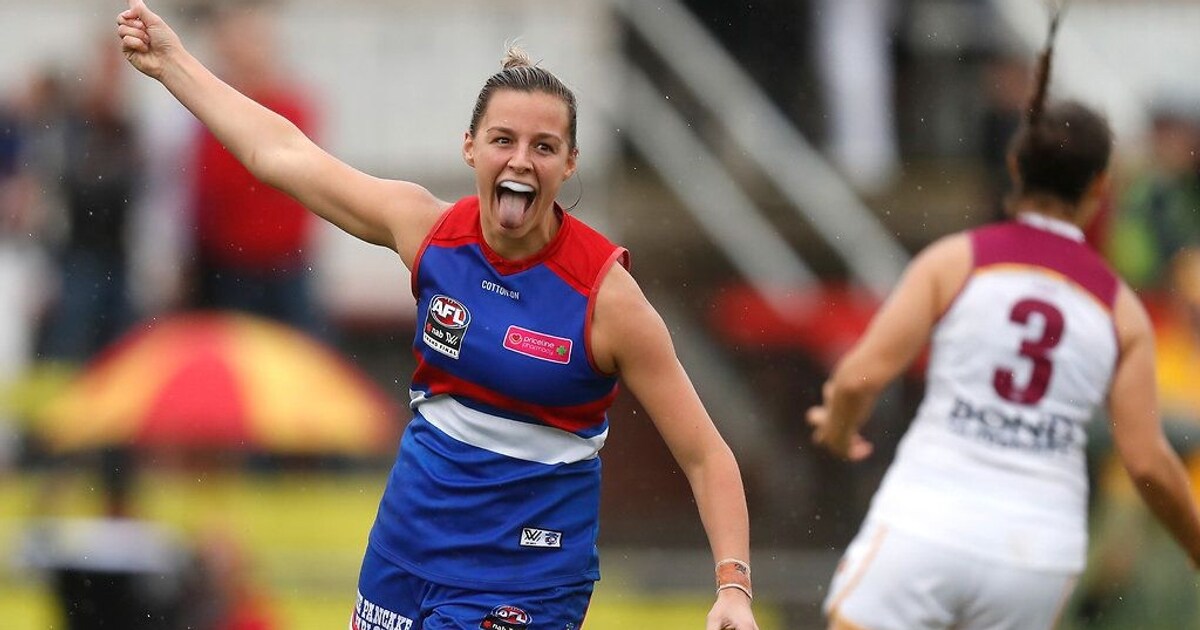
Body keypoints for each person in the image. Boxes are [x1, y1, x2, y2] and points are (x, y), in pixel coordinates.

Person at [116, 2, 759, 629]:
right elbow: (282, 154)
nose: (520, 160)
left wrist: (733, 588)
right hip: (403, 555)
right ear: (470, 148)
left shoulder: (607, 299)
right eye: (503, 140)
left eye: (543, 146)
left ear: (569, 164)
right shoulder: (427, 232)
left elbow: (706, 455)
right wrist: (174, 64)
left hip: (525, 582)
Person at [805, 10, 1200, 630]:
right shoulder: (1119, 307)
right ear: (1101, 187)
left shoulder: (956, 261)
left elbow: (859, 378)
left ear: (1015, 169)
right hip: (1037, 550)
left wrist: (838, 427)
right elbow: (1147, 461)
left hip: (928, 522)